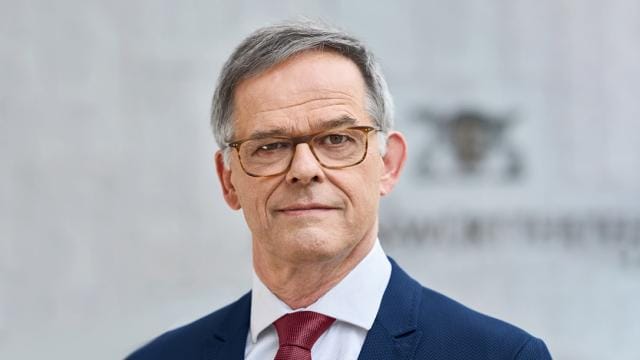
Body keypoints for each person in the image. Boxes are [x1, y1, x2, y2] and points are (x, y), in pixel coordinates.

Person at [127, 20, 552, 360]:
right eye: (270, 146)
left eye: (337, 140)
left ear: (388, 164)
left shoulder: (498, 355)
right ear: (228, 179)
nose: (304, 170)